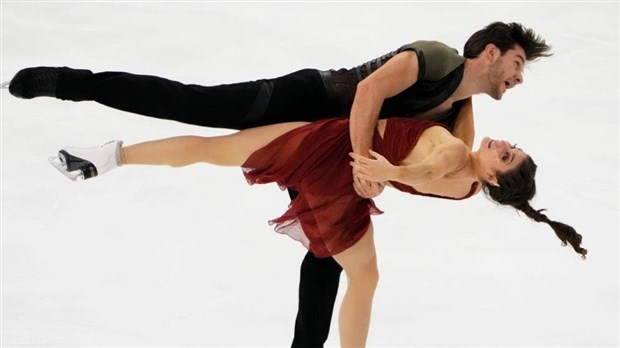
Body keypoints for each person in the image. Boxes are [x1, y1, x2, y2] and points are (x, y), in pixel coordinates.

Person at [8, 21, 552, 347]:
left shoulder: (464, 112)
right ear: (490, 52)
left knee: (324, 254)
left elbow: (447, 166)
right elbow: (366, 96)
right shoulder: (435, 59)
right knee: (194, 104)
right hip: (308, 103)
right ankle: (71, 83)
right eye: (518, 63)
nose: (519, 76)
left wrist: (374, 173)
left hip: (331, 154)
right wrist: (368, 169)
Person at [50, 115, 587, 348]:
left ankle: (111, 156)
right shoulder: (462, 160)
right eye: (508, 145)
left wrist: (391, 173)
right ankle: (110, 156)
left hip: (333, 156)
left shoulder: (462, 166)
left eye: (506, 153)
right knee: (367, 278)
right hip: (340, 165)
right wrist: (392, 174)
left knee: (213, 152)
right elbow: (433, 162)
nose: (501, 143)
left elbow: (431, 167)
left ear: (494, 179)